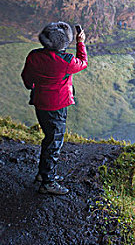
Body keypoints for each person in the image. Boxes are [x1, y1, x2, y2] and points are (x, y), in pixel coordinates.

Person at [21, 22, 88, 195]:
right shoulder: (67, 62)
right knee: (54, 142)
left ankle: (43, 174)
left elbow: (27, 78)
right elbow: (83, 62)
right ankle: (47, 182)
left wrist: (32, 85)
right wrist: (81, 43)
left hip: (39, 102)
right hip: (57, 106)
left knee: (49, 137)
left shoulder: (34, 56)